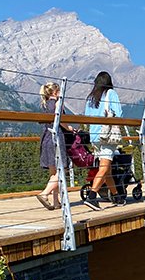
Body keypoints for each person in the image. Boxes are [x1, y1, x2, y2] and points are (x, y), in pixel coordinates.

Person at [83, 71, 123, 210]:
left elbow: (86, 116)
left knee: (107, 169)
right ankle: (92, 196)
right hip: (107, 136)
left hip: (94, 136)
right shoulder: (111, 93)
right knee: (104, 167)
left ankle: (117, 196)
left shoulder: (91, 98)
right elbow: (118, 113)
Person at [37, 82, 74, 210]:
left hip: (45, 138)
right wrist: (70, 128)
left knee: (53, 172)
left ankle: (56, 201)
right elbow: (61, 120)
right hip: (56, 137)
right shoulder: (58, 103)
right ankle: (45, 193)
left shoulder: (44, 104)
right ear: (55, 92)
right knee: (62, 170)